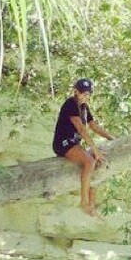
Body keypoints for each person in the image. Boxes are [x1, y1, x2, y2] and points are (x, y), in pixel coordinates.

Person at [52, 78, 115, 217]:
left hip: (74, 143)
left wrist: (111, 138)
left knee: (97, 162)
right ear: (76, 92)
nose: (86, 96)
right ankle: (84, 202)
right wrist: (95, 150)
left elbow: (94, 126)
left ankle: (91, 203)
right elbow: (81, 129)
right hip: (63, 143)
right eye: (83, 93)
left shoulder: (84, 108)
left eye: (88, 94)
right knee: (89, 161)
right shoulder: (71, 104)